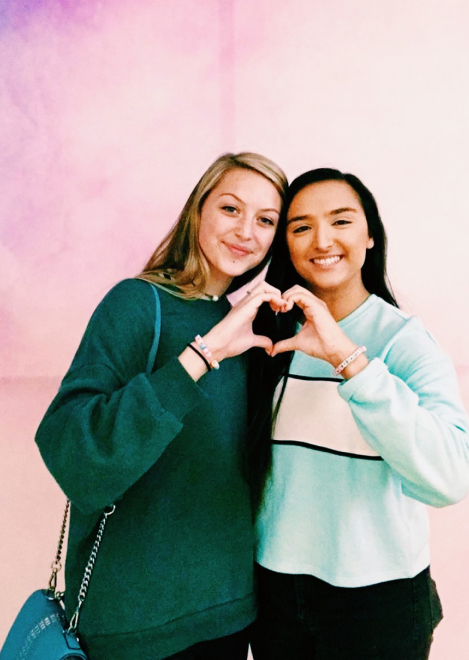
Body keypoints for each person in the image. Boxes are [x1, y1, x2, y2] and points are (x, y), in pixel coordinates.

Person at [35, 152, 288, 660]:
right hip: (134, 627)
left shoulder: (247, 327)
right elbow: (72, 452)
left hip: (230, 616)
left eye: (265, 220)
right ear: (199, 211)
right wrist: (202, 356)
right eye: (231, 209)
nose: (246, 231)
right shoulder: (136, 304)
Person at [248, 168, 469, 660]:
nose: (322, 240)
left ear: (370, 235)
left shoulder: (403, 340)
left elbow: (452, 477)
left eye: (341, 221)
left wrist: (349, 360)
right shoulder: (266, 336)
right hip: (275, 595)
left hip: (378, 601)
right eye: (300, 226)